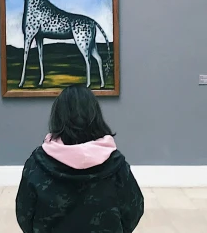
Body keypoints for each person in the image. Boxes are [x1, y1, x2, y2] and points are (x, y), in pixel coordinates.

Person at [15, 85, 144, 233]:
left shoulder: (36, 164)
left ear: (57, 117)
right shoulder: (117, 165)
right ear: (95, 116)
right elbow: (134, 211)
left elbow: (24, 215)